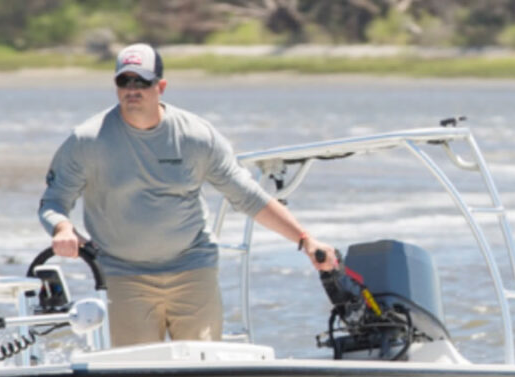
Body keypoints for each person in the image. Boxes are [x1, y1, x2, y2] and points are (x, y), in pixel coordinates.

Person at [38, 43, 337, 347]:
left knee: (202, 366)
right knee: (135, 371)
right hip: (121, 273)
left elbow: (248, 196)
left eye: (141, 81)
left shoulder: (196, 135)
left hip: (192, 268)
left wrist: (304, 239)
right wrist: (63, 228)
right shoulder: (87, 140)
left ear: (161, 86)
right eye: (124, 81)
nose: (132, 89)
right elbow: (53, 202)